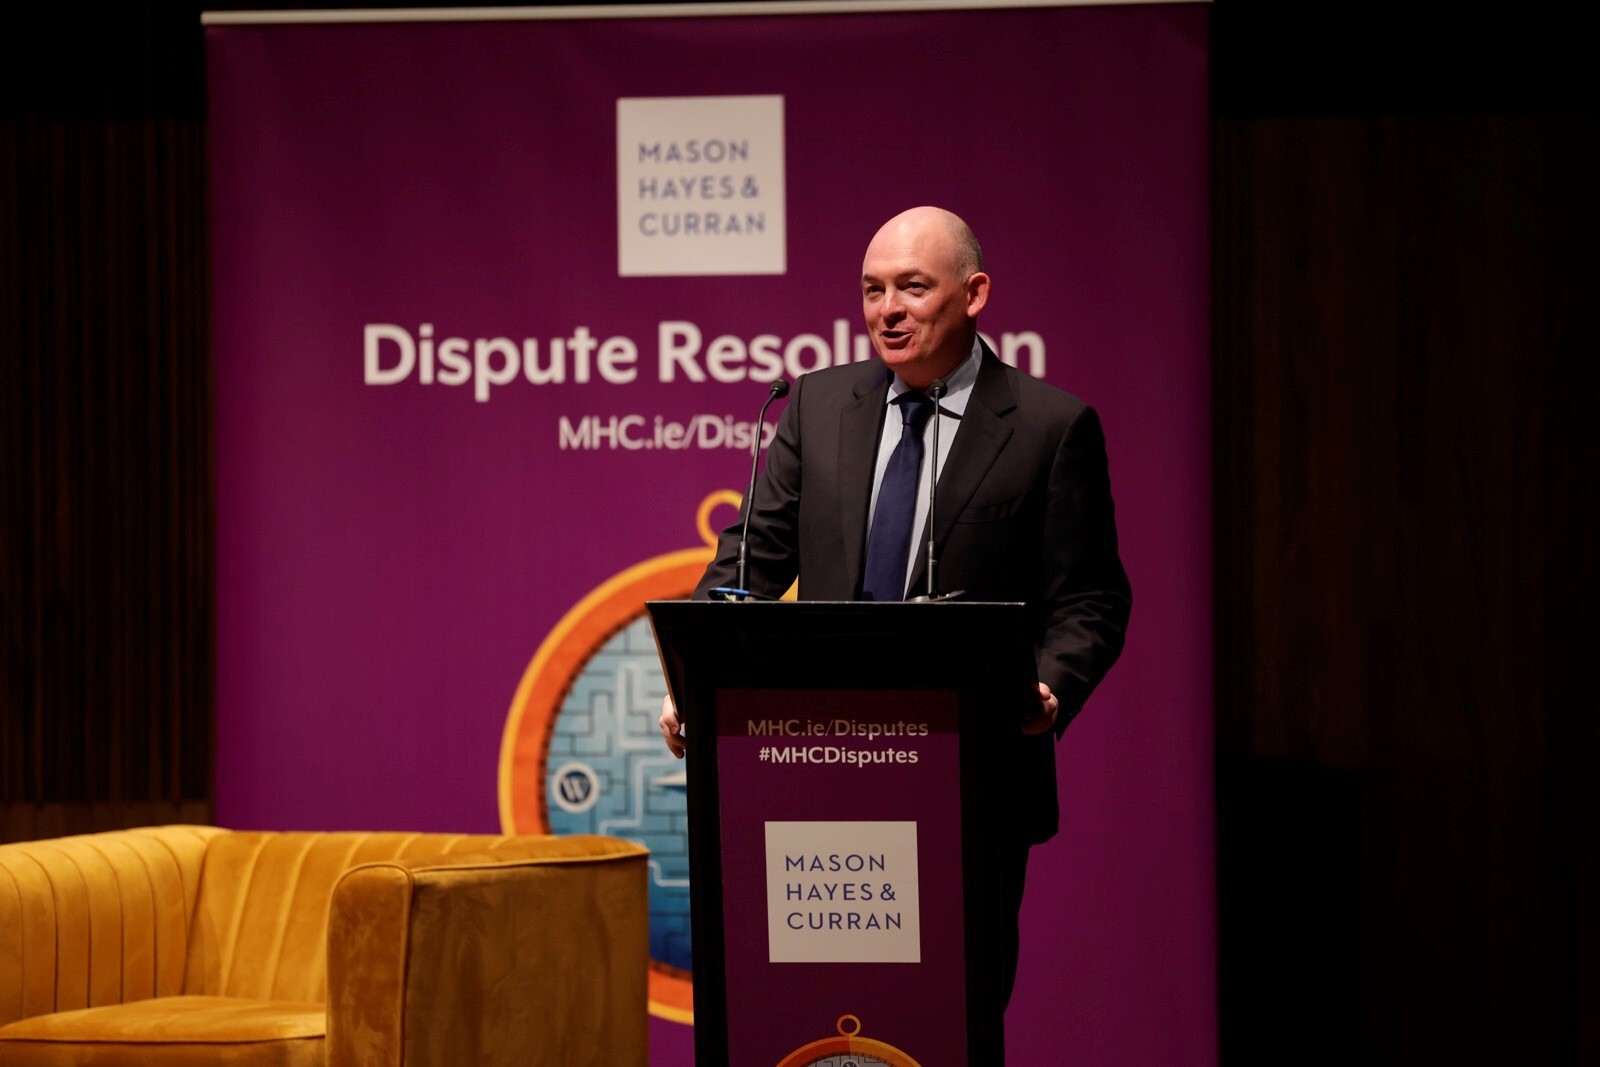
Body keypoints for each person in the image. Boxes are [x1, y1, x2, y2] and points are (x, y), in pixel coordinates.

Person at [658, 205, 1132, 1003]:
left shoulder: (1051, 427)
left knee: (948, 1009)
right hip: (816, 766)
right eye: (873, 290)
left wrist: (1051, 683)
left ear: (974, 292)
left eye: (912, 286)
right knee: (820, 1011)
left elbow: (1090, 595)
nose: (888, 309)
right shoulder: (815, 405)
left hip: (969, 776)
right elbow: (750, 562)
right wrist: (692, 674)